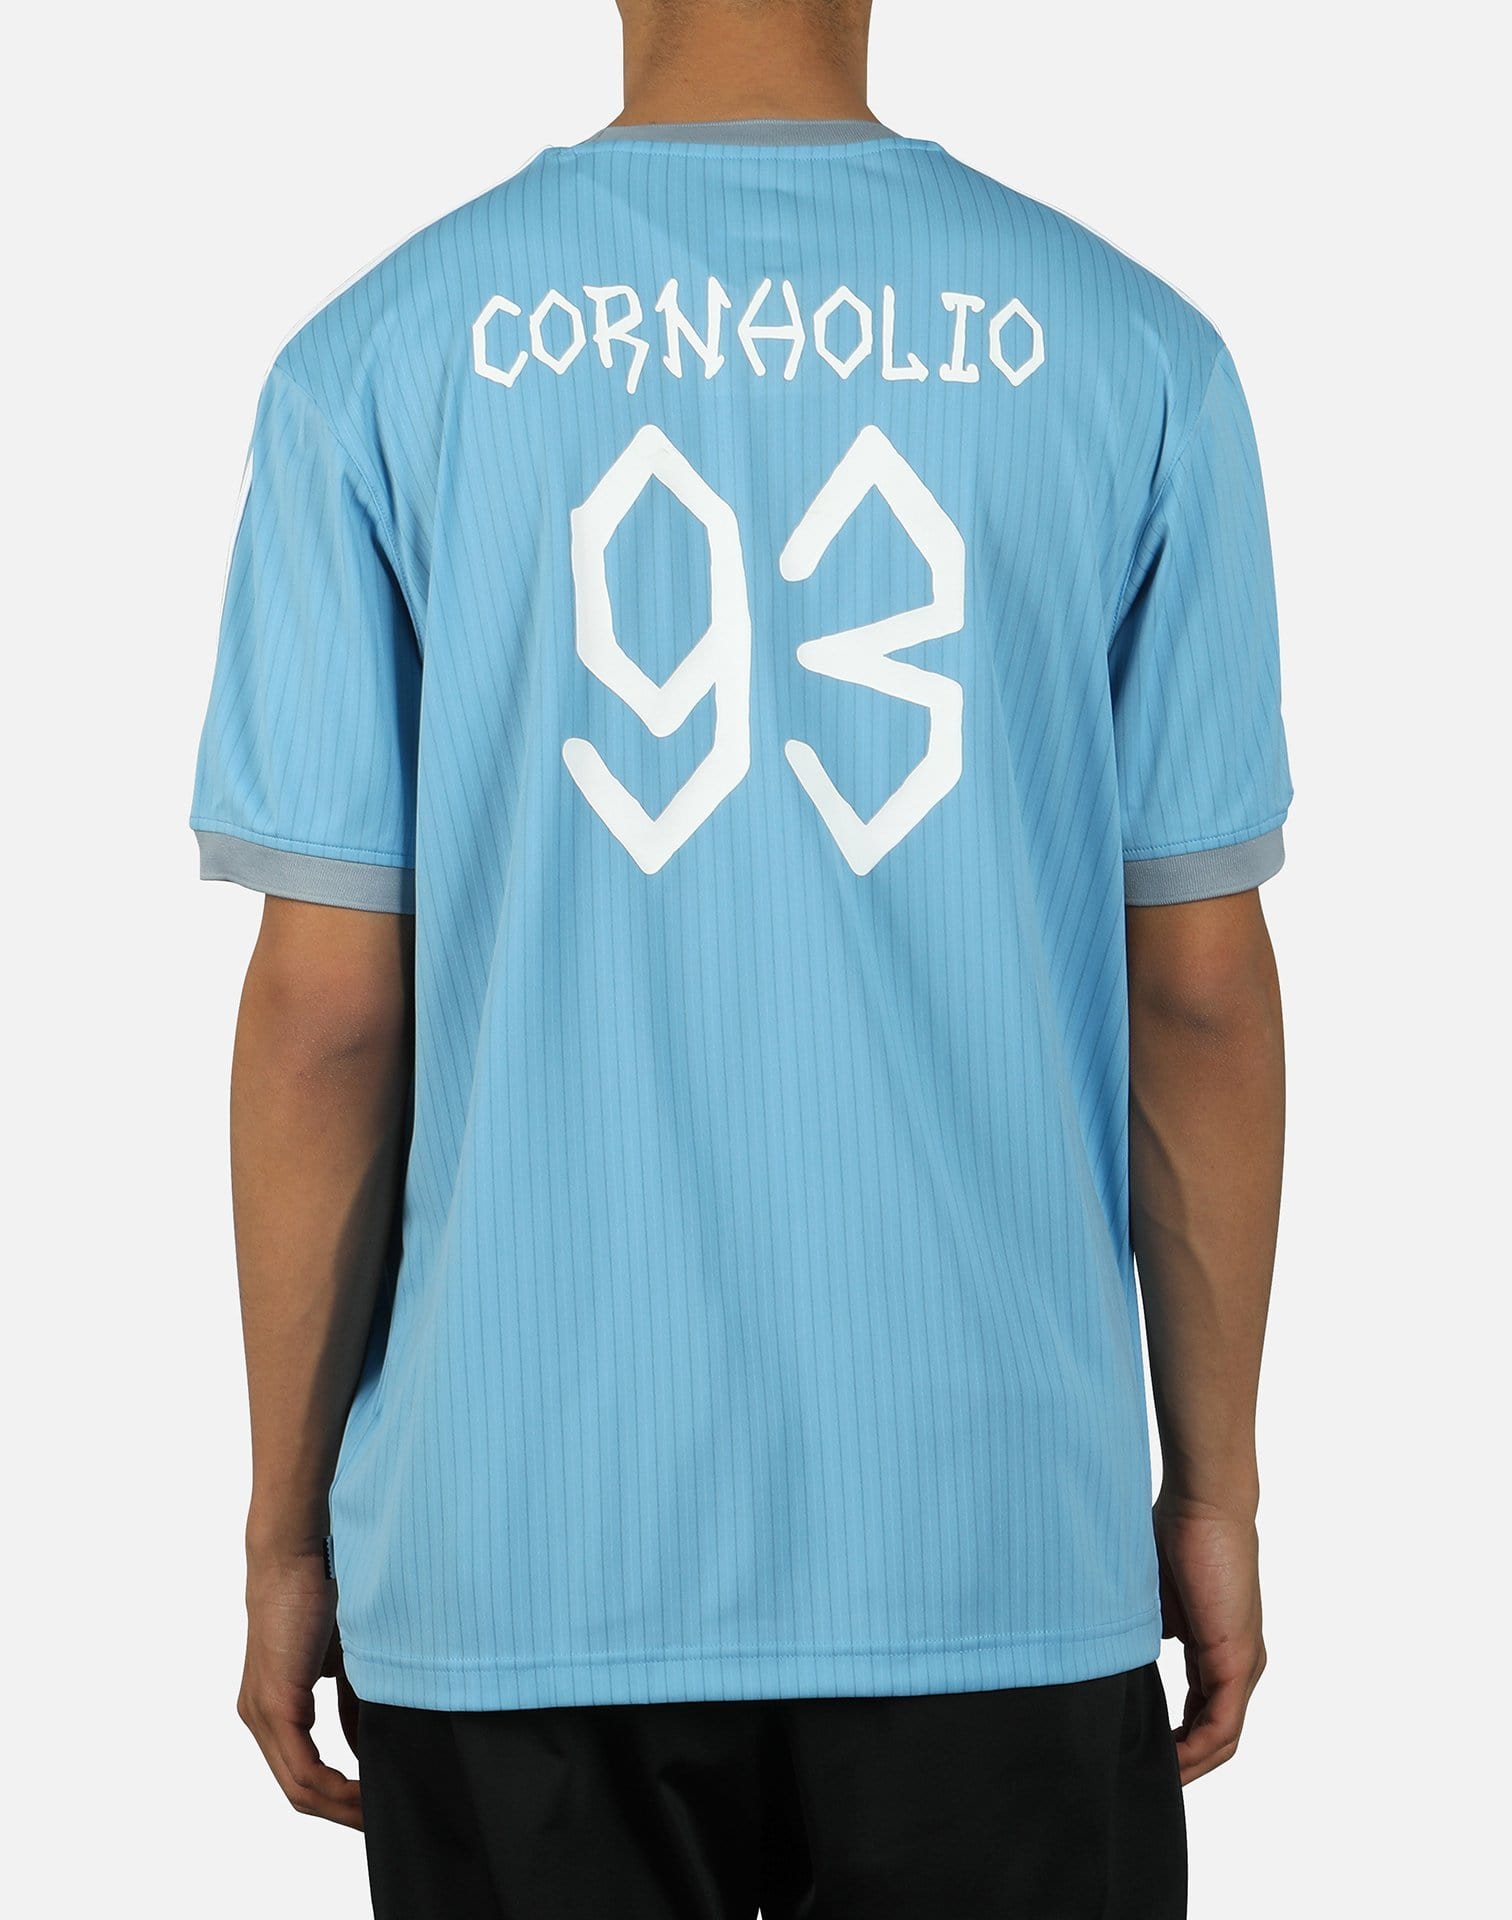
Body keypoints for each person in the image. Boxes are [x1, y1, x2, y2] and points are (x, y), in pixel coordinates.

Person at [192, 2, 1289, 1913]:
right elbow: (1194, 990)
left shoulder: (374, 359)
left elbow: (328, 1019)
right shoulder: (1135, 355)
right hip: (991, 1537)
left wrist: (288, 1528)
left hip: (517, 1546)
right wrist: (1212, 1488)